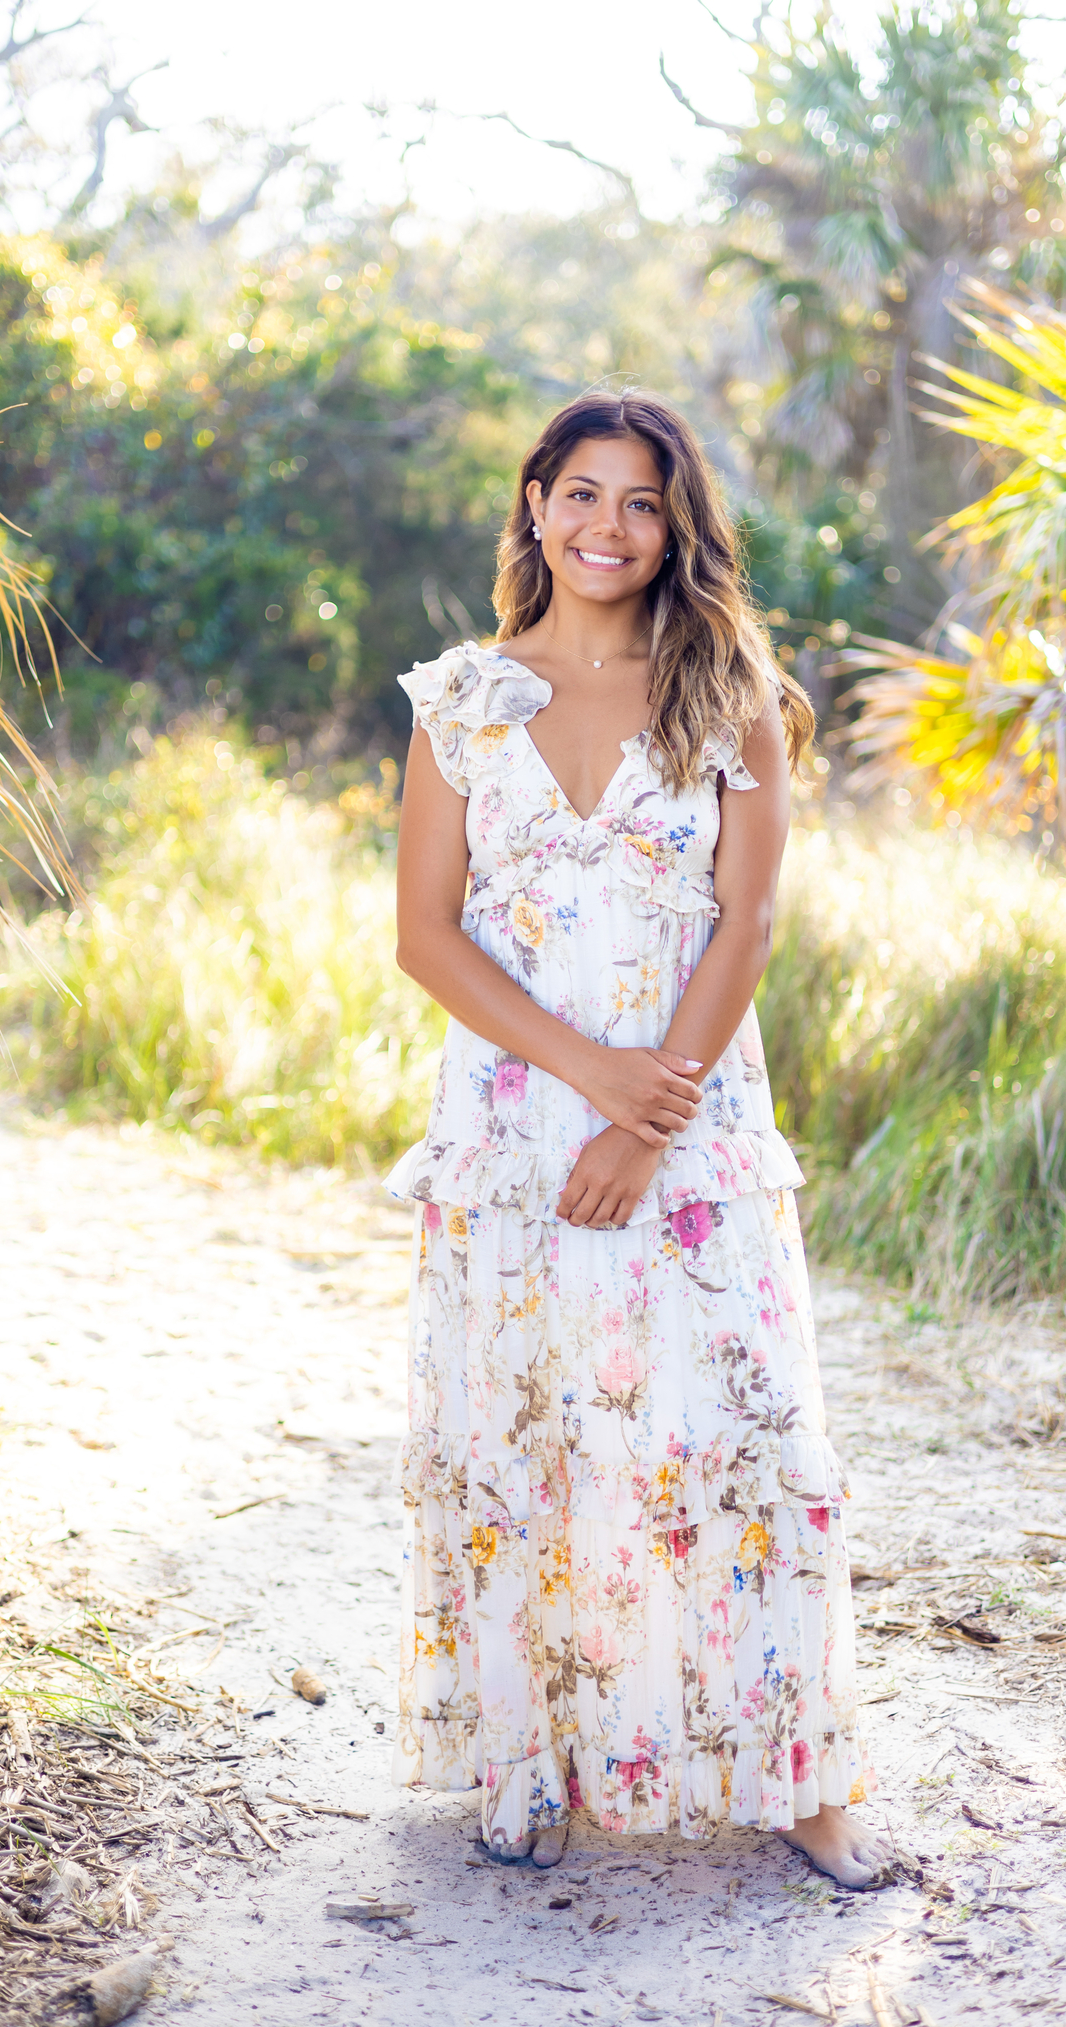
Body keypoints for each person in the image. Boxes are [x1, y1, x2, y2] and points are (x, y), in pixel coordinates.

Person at [386, 390, 884, 1885]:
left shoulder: (724, 683)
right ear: (534, 504)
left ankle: (803, 1781)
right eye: (581, 493)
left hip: (694, 1116)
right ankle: (526, 1757)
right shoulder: (464, 702)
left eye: (642, 502)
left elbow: (750, 918)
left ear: (677, 527)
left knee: (737, 1430)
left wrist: (651, 1109)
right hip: (518, 1124)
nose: (607, 526)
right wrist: (590, 1078)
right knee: (525, 1432)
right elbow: (423, 935)